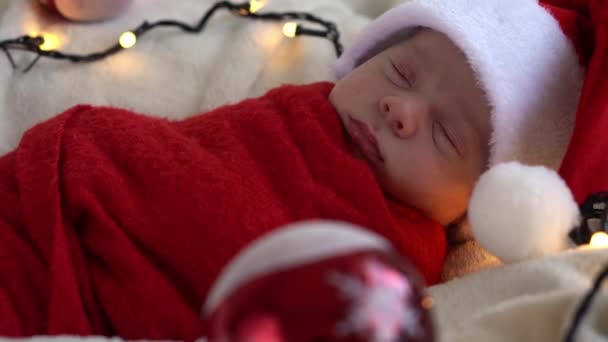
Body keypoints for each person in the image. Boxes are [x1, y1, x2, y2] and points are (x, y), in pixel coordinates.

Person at [0, 0, 587, 339]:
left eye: (444, 133)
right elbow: (196, 156)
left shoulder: (396, 255)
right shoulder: (302, 105)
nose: (399, 110)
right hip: (55, 205)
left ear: (478, 201)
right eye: (400, 74)